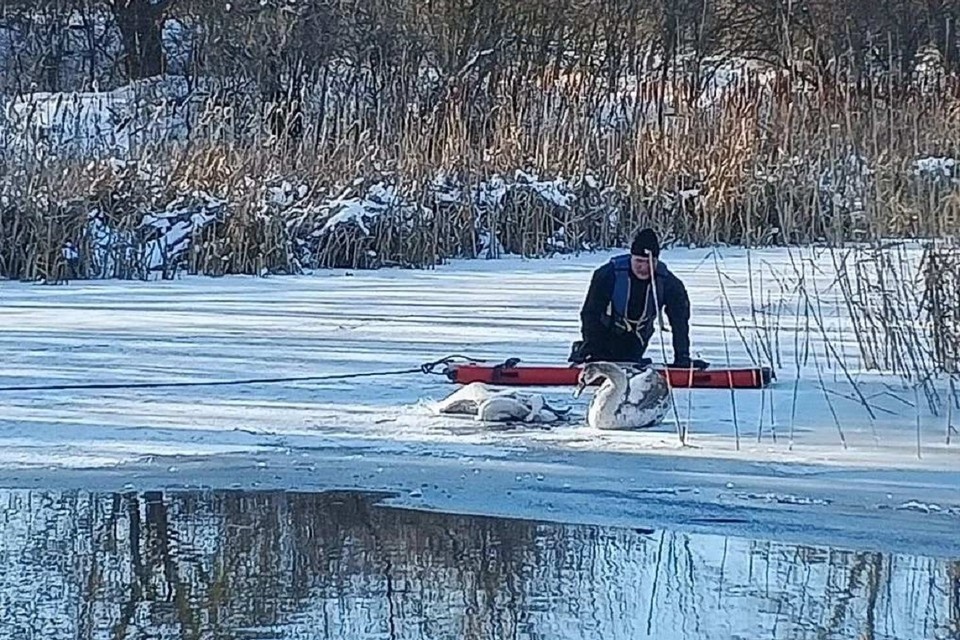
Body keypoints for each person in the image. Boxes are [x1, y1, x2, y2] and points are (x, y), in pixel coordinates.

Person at [569, 228, 708, 369]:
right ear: (631, 257)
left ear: (657, 260)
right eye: (639, 261)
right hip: (604, 334)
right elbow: (590, 313)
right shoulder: (607, 275)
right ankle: (582, 350)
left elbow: (680, 322)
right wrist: (591, 348)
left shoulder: (670, 284)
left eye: (649, 261)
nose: (644, 267)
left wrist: (682, 356)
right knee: (601, 354)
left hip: (636, 340)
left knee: (628, 357)